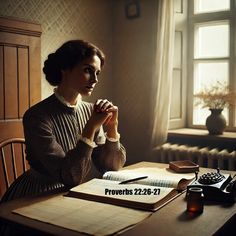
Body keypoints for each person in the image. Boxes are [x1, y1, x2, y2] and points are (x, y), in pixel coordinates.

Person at [1, 39, 126, 202]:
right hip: (37, 194)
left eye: (97, 73)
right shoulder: (36, 116)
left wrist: (112, 127)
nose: (95, 79)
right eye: (88, 70)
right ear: (65, 68)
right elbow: (69, 176)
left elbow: (111, 166)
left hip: (74, 192)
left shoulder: (91, 111)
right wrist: (91, 127)